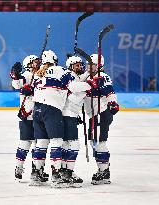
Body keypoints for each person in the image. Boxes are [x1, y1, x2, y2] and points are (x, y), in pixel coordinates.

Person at [29, 50, 99, 188]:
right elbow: (72, 86)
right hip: (51, 108)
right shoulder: (59, 70)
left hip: (36, 109)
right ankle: (56, 176)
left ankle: (36, 174)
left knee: (42, 142)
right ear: (55, 59)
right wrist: (89, 85)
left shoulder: (38, 74)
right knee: (57, 141)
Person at [11, 55, 49, 181]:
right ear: (28, 64)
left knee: (40, 144)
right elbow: (16, 84)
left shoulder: (41, 75)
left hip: (40, 116)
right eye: (35, 62)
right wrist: (15, 74)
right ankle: (19, 167)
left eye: (39, 62)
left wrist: (32, 90)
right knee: (25, 143)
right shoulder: (27, 75)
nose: (38, 64)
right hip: (28, 115)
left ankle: (38, 169)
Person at [83, 54, 119, 185]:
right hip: (94, 114)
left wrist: (113, 103)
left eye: (91, 64)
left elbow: (110, 92)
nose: (88, 66)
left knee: (100, 143)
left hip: (102, 112)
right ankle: (102, 169)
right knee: (94, 143)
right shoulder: (87, 76)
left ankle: (104, 172)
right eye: (88, 64)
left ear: (99, 65)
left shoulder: (103, 76)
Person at [60, 55, 92, 188]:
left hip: (70, 114)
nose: (80, 67)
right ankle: (68, 172)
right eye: (76, 65)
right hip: (68, 114)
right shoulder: (70, 75)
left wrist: (88, 74)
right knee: (73, 145)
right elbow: (73, 87)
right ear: (70, 66)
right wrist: (88, 86)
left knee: (67, 144)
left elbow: (79, 80)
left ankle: (65, 171)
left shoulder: (75, 75)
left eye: (80, 64)